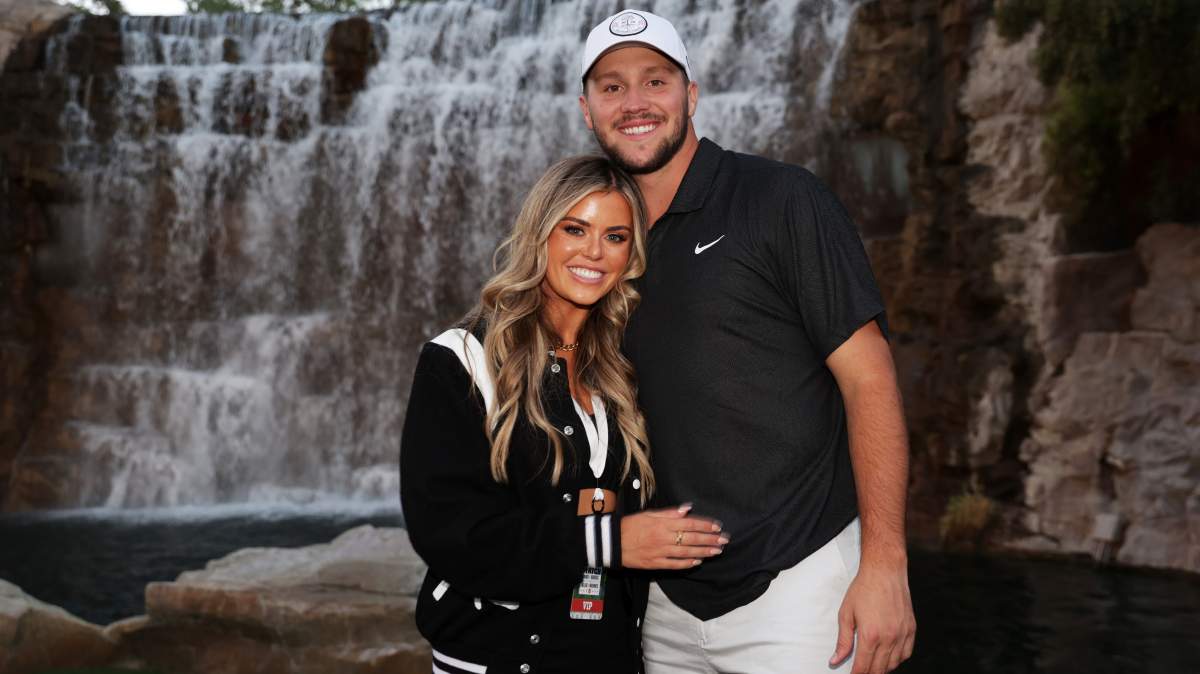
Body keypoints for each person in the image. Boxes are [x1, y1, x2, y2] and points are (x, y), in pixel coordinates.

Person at [575, 10, 917, 674]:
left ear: (691, 95)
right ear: (587, 111)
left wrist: (885, 564)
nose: (635, 102)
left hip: (800, 589)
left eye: (655, 81)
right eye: (612, 87)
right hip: (665, 606)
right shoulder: (599, 244)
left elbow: (869, 377)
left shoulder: (781, 199)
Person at [400, 155, 728, 674]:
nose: (594, 252)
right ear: (540, 234)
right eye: (575, 229)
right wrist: (609, 542)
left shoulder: (624, 366)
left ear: (631, 254)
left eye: (615, 237)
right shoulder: (461, 358)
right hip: (492, 659)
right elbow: (449, 533)